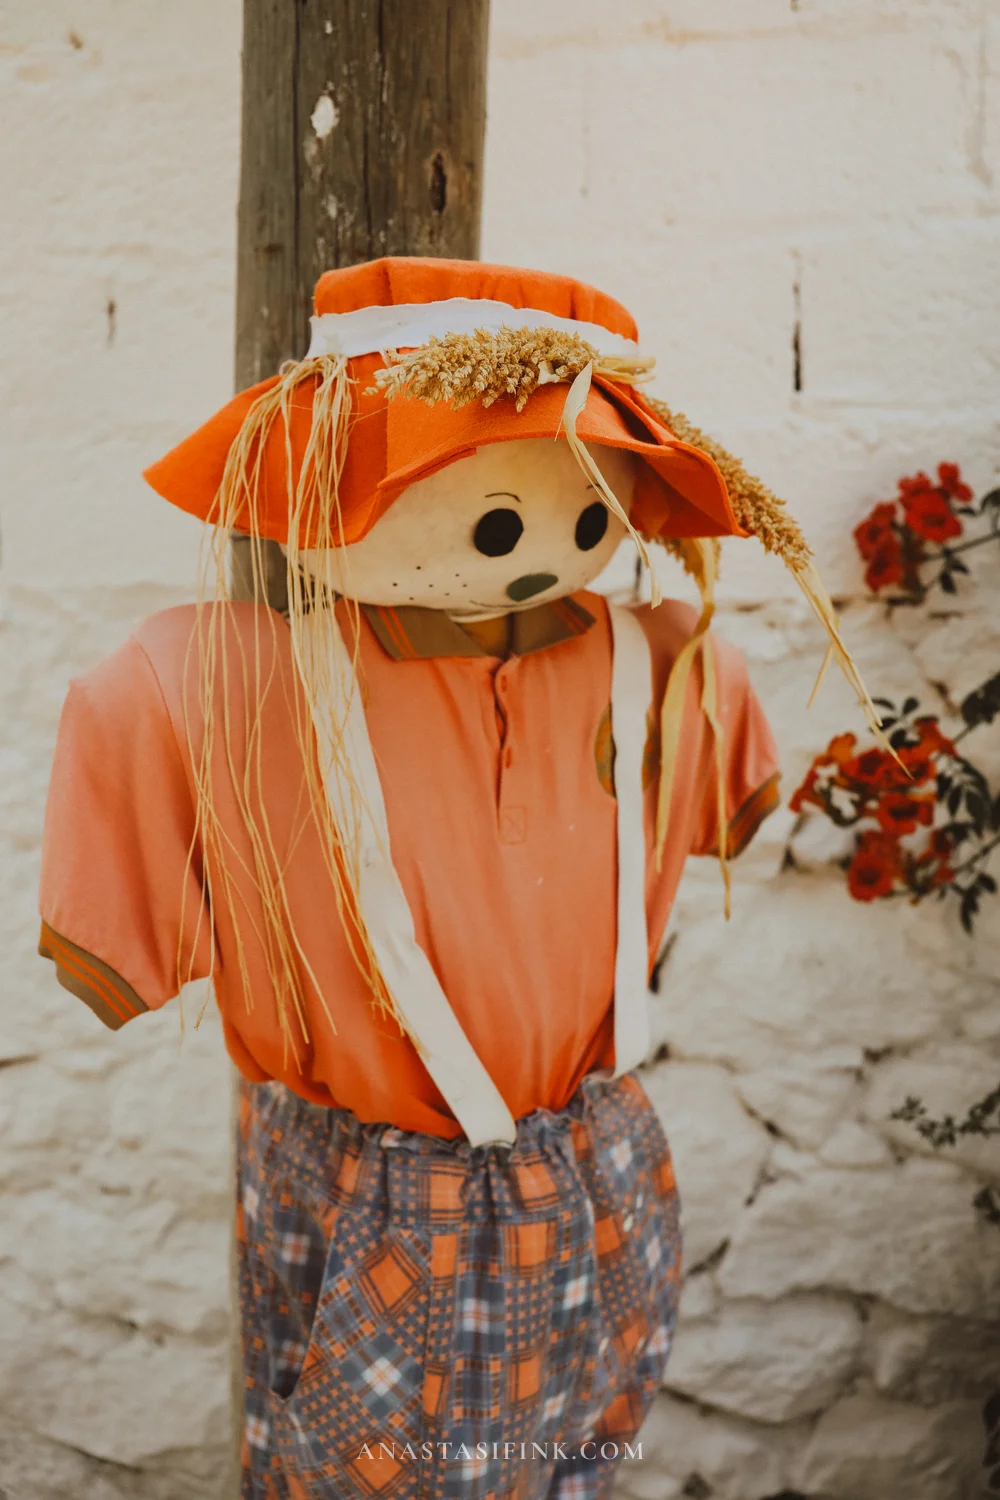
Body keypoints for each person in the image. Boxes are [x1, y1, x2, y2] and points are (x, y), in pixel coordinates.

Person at [37, 258, 873, 1499]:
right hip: (363, 1189)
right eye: (492, 516)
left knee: (582, 1463)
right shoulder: (190, 688)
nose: (548, 554)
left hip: (599, 1163)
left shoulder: (671, 661)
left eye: (590, 511)